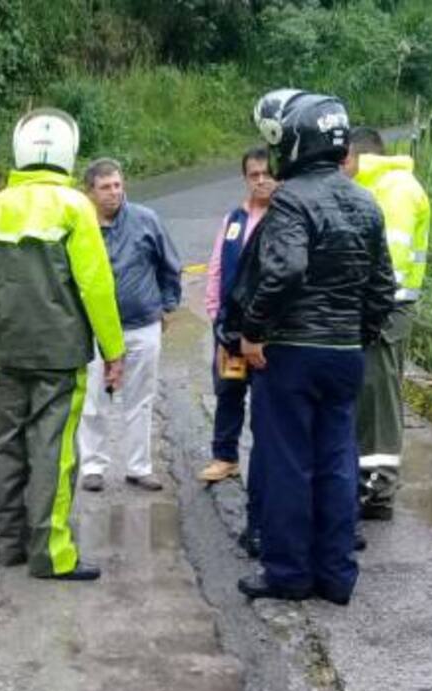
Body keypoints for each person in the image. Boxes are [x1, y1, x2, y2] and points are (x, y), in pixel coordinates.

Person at [232, 89, 396, 604]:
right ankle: (337, 574)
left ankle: (289, 574)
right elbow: (383, 287)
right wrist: (358, 334)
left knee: (289, 465)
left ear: (296, 142)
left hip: (295, 352)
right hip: (345, 352)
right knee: (337, 462)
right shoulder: (365, 201)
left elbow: (285, 270)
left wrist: (254, 329)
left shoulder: (291, 200)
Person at [0, 109, 126, 582]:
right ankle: (52, 553)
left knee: (5, 447)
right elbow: (96, 286)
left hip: (6, 354)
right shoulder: (75, 207)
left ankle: (9, 545)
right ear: (66, 154)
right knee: (53, 452)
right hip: (60, 356)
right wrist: (114, 350)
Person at [341, 127, 430, 521]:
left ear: (352, 158)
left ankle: (378, 490)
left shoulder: (392, 190)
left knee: (379, 402)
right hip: (382, 311)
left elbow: (386, 267)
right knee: (370, 398)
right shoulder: (382, 186)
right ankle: (369, 484)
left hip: (385, 312)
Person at [78, 158, 182, 493]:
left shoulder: (146, 220)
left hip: (141, 325)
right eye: (105, 187)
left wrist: (167, 306)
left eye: (118, 185)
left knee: (141, 398)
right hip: (92, 330)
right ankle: (93, 466)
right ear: (89, 192)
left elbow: (170, 265)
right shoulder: (79, 226)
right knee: (94, 399)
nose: (114, 193)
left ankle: (139, 467)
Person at [199, 146, 277, 485]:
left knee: (267, 401)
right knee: (229, 390)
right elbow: (216, 267)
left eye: (266, 174)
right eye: (254, 175)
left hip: (269, 332)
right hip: (231, 328)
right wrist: (217, 319)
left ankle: (269, 462)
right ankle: (225, 457)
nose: (260, 181)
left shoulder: (287, 218)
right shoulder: (234, 219)